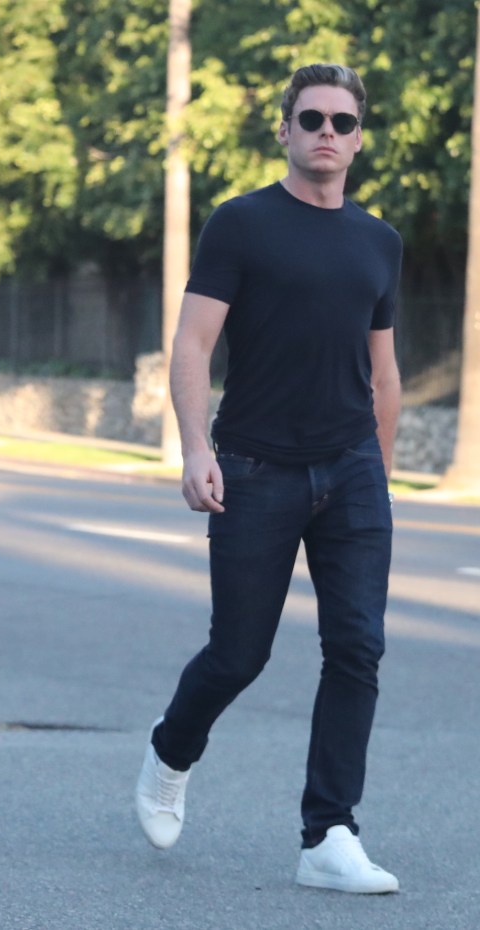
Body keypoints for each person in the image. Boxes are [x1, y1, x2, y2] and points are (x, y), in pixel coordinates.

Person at [134, 63, 402, 893]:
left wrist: (379, 480)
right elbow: (191, 344)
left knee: (357, 646)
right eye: (312, 119)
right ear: (285, 130)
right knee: (239, 653)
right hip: (255, 466)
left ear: (359, 139)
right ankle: (171, 749)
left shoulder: (379, 240)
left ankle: (329, 834)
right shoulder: (241, 224)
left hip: (353, 469)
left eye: (343, 123)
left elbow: (384, 372)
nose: (328, 133)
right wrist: (194, 447)